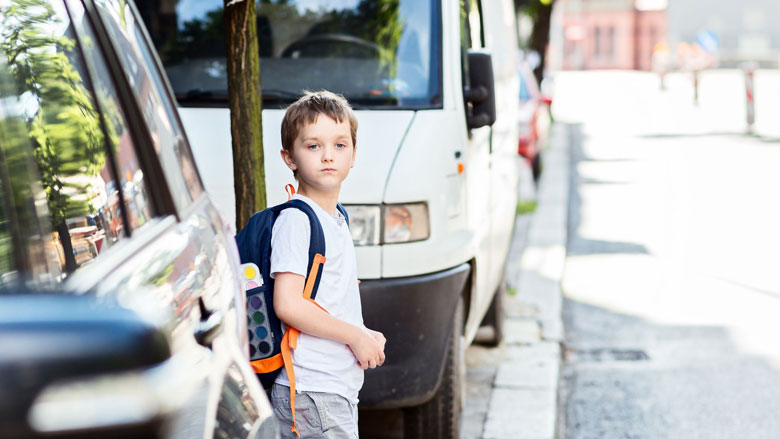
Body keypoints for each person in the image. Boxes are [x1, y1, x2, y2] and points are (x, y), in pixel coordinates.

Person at [271, 90, 386, 438]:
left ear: (353, 155)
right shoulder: (297, 220)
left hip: (329, 389)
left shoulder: (334, 218)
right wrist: (354, 336)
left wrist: (362, 332)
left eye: (339, 145)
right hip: (311, 389)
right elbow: (287, 303)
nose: (327, 156)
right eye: (313, 146)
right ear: (289, 157)